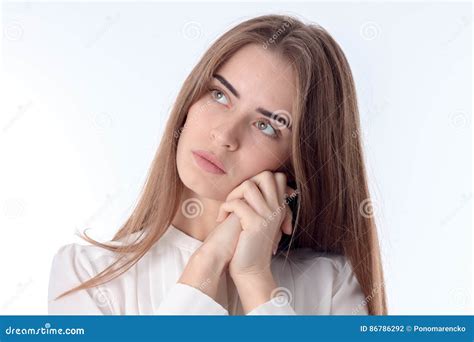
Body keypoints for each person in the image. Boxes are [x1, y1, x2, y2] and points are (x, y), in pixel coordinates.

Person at [48, 14, 387, 315]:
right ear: (190, 99)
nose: (225, 134)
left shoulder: (331, 286)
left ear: (298, 161)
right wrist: (206, 264)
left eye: (267, 125)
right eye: (220, 95)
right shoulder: (87, 275)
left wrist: (255, 280)